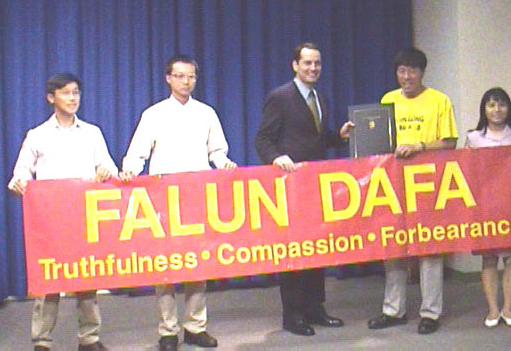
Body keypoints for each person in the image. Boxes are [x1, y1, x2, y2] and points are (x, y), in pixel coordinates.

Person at [120, 54, 236, 351]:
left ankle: (195, 327)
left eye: (191, 76)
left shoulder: (206, 113)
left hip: (197, 196)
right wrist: (130, 169)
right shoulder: (154, 114)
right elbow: (137, 153)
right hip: (164, 198)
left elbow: (217, 151)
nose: (186, 81)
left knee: (198, 263)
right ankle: (168, 331)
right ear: (168, 79)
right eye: (180, 76)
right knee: (166, 265)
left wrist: (223, 163)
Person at [8, 73, 116, 351]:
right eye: (66, 93)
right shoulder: (37, 135)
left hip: (84, 216)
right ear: (51, 98)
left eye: (76, 92)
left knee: (87, 277)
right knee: (49, 280)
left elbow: (109, 167)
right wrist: (19, 182)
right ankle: (42, 340)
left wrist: (105, 172)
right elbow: (20, 172)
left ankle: (89, 338)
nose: (72, 98)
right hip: (50, 220)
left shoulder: (92, 132)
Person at [255, 42, 353, 337]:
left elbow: (315, 140)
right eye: (307, 63)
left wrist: (338, 136)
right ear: (295, 65)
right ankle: (293, 315)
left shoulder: (320, 97)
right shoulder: (280, 97)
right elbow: (263, 139)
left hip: (316, 186)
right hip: (290, 187)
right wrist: (276, 158)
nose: (313, 68)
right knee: (295, 251)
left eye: (317, 63)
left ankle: (315, 308)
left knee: (316, 248)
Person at [367, 47, 458, 335]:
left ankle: (430, 312)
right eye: (401, 71)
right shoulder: (388, 100)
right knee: (394, 247)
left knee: (429, 248)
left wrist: (419, 146)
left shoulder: (439, 101)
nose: (406, 76)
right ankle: (393, 310)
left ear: (422, 72)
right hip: (393, 185)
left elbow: (450, 142)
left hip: (428, 185)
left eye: (412, 71)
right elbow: (378, 142)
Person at [465, 87, 511, 328]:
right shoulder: (474, 137)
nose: (497, 110)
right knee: (489, 259)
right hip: (485, 206)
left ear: (509, 108)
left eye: (502, 104)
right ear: (484, 109)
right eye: (492, 105)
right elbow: (466, 173)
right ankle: (493, 310)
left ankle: (508, 308)